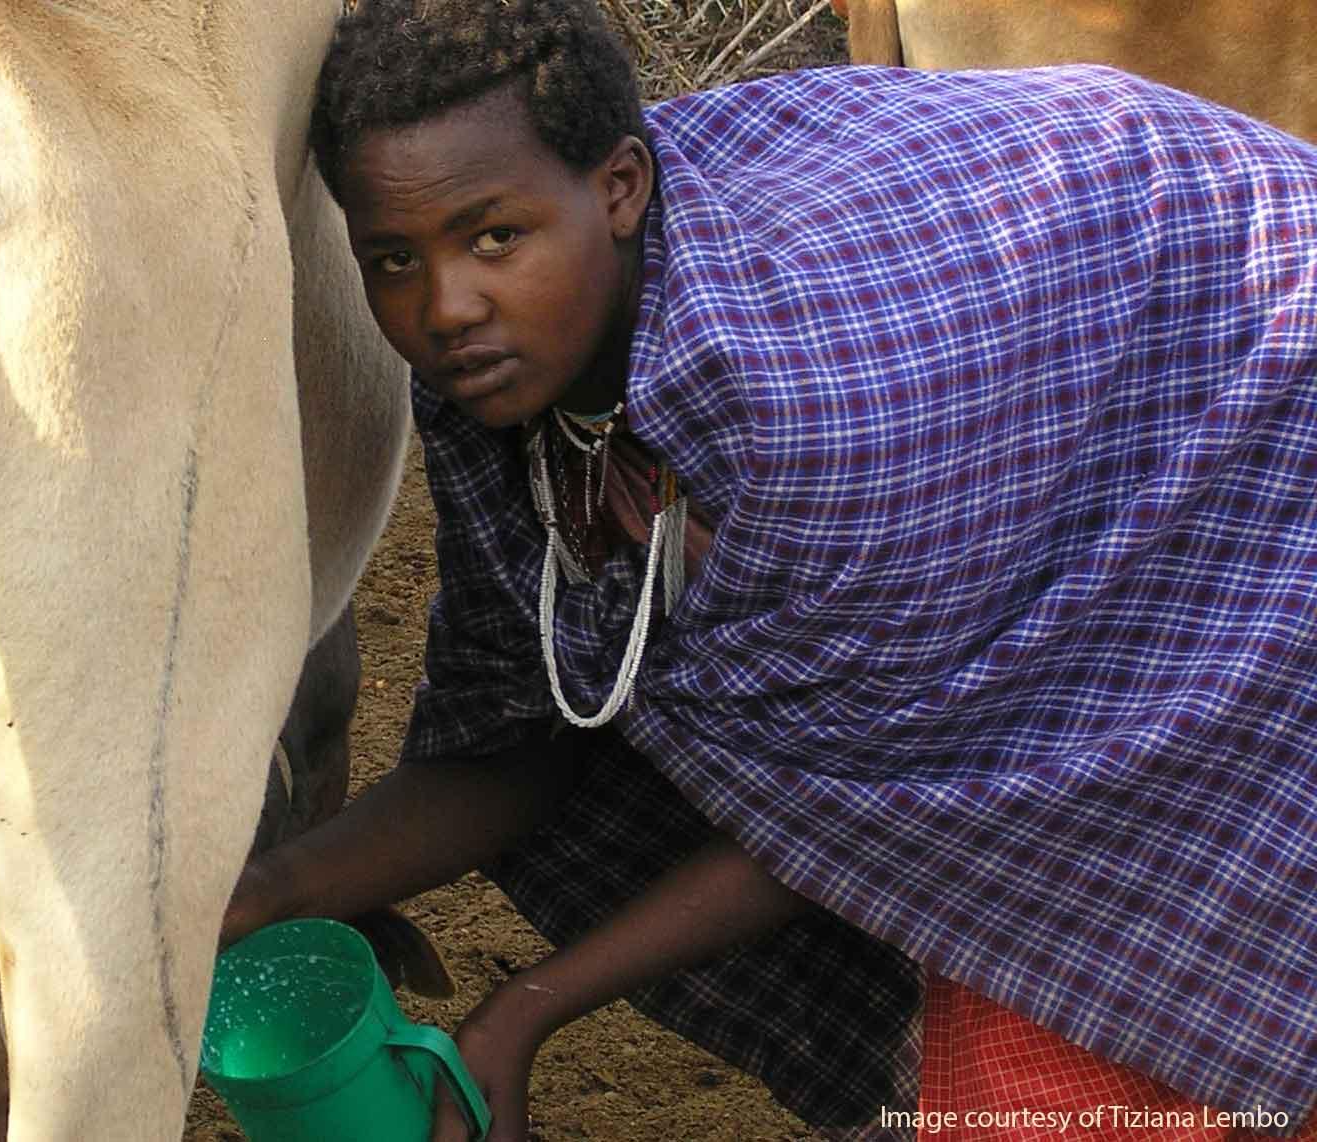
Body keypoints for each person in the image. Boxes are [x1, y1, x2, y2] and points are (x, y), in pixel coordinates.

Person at [224, 1, 1317, 1138]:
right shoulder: (510, 386)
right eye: (393, 259)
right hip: (1082, 335)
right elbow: (534, 725)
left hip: (1258, 395)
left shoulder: (810, 421)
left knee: (1120, 998)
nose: (445, 308)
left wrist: (528, 1007)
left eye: (492, 237)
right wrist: (258, 897)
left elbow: (857, 817)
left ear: (620, 189)